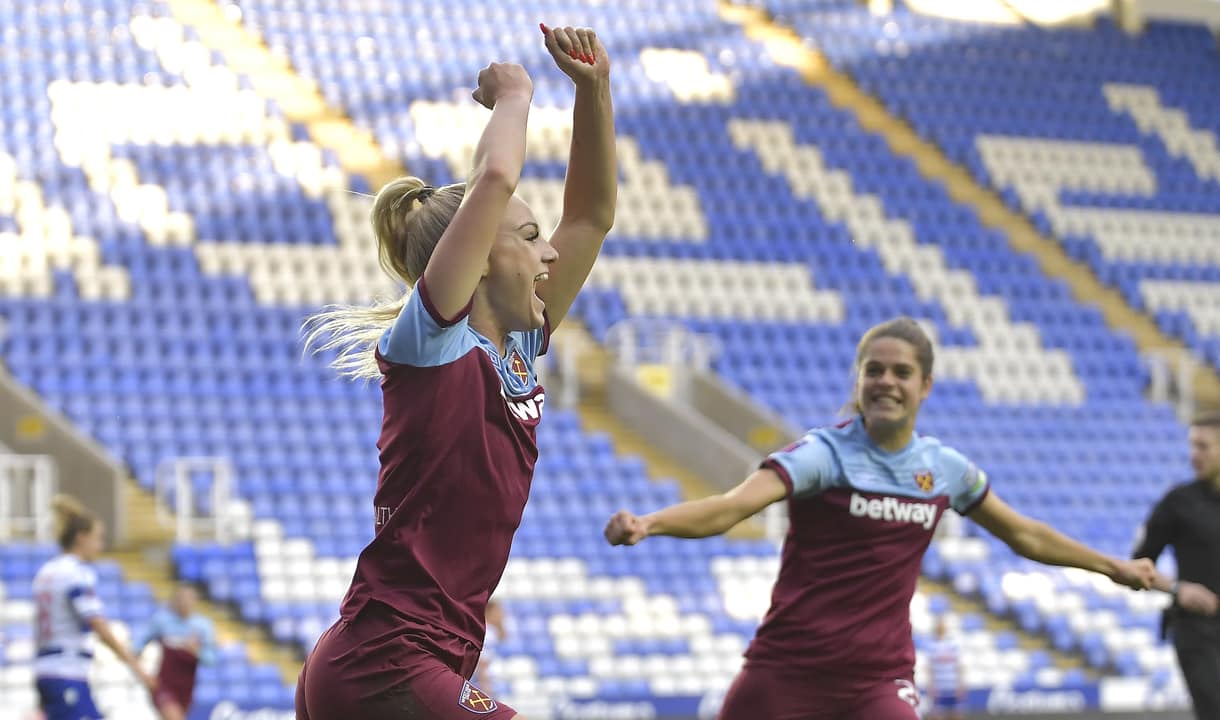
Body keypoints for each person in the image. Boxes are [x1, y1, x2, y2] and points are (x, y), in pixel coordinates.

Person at [604, 317, 1158, 720]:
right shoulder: (823, 454)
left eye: (900, 372)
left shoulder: (944, 470)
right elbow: (730, 508)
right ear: (859, 380)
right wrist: (651, 523)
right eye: (874, 370)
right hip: (786, 671)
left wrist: (1111, 566)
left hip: (878, 681)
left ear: (925, 387)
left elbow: (1024, 533)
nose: (886, 382)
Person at [296, 23, 615, 720]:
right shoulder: (433, 345)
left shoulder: (518, 352)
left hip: (407, 661)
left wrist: (593, 90)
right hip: (386, 662)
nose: (549, 256)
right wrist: (516, 94)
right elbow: (497, 177)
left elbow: (589, 217)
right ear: (475, 261)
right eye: (529, 238)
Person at [32, 494, 156, 720]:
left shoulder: (46, 572)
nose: (100, 546)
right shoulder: (76, 573)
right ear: (81, 538)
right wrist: (137, 668)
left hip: (45, 669)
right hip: (66, 671)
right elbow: (97, 624)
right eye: (98, 538)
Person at [1132, 411, 1220, 720]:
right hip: (1198, 630)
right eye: (1192, 446)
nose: (1194, 455)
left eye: (1203, 446)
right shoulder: (1178, 502)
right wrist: (1178, 588)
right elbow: (1135, 566)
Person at [133, 583, 217, 720]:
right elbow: (137, 647)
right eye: (182, 598)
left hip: (187, 688)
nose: (185, 602)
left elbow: (212, 660)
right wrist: (143, 675)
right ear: (175, 600)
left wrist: (197, 651)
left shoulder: (202, 626)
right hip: (164, 685)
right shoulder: (162, 621)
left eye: (189, 598)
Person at [925, 615, 964, 720]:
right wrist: (931, 687)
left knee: (955, 715)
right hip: (939, 687)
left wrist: (961, 685)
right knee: (937, 715)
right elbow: (930, 669)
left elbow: (959, 667)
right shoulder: (931, 646)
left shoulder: (953, 644)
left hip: (952, 686)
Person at [473, 599, 508, 697]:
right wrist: (486, 689)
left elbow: (503, 636)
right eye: (499, 612)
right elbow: (482, 663)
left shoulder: (488, 630)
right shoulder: (489, 633)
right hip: (481, 683)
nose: (502, 615)